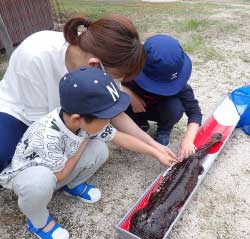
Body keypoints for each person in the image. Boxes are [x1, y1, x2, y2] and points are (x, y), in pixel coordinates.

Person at [0, 67, 177, 239]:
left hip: (61, 165)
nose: (108, 122)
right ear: (78, 119)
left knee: (100, 148)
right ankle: (38, 222)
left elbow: (121, 138)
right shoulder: (47, 136)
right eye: (105, 119)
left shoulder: (81, 118)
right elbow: (58, 175)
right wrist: (83, 142)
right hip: (35, 176)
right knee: (39, 183)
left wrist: (157, 152)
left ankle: (72, 185)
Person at [0, 14, 175, 174]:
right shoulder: (36, 56)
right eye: (116, 78)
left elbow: (115, 113)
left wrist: (153, 145)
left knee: (87, 144)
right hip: (20, 112)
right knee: (9, 156)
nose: (116, 84)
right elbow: (40, 126)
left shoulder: (101, 68)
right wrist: (81, 136)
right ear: (94, 65)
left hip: (67, 114)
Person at [123, 34, 202, 161]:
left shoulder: (180, 86)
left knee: (175, 107)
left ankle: (164, 129)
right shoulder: (130, 74)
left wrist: (188, 140)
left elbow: (195, 113)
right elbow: (110, 82)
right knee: (121, 98)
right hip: (137, 109)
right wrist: (130, 94)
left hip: (160, 111)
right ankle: (139, 124)